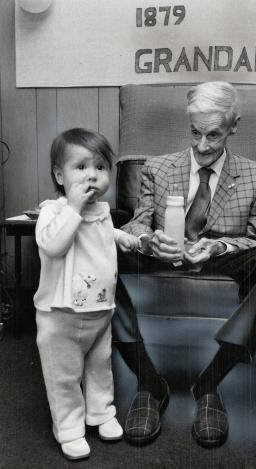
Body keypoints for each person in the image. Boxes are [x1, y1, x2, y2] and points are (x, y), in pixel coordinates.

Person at [115, 81, 256, 448]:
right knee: (102, 250)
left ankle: (210, 383)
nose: (203, 145)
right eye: (196, 133)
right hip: (163, 255)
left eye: (214, 135)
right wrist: (148, 241)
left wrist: (217, 247)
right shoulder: (158, 168)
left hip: (222, 260)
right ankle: (149, 383)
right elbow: (138, 222)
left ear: (234, 126)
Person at [33, 128, 139, 460]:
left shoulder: (103, 212)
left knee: (99, 366)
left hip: (99, 310)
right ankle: (69, 427)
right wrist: (74, 209)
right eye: (80, 167)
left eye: (100, 167)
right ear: (59, 175)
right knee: (64, 375)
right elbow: (53, 245)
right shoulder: (53, 211)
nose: (91, 175)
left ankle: (101, 412)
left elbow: (105, 235)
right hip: (60, 316)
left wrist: (126, 240)